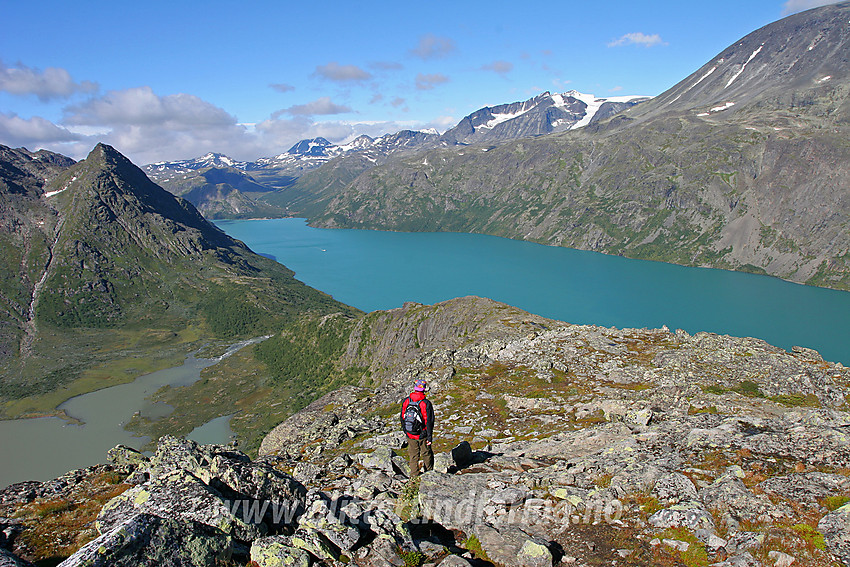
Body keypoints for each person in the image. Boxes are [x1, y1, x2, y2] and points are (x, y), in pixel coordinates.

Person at [400, 378, 435, 477]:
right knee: (426, 453)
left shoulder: (406, 400)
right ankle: (429, 474)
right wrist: (429, 437)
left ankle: (414, 477)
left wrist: (406, 431)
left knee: (413, 456)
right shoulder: (425, 403)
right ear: (424, 389)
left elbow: (402, 417)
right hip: (422, 434)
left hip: (410, 434)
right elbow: (429, 421)